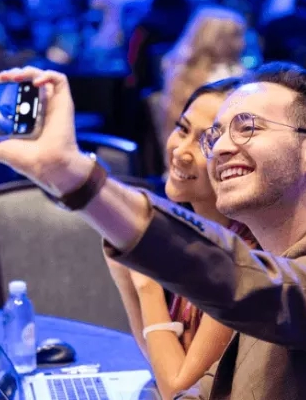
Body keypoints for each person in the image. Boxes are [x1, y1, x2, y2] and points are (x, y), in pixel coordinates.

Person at [0, 62, 306, 399]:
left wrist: (72, 173)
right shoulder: (272, 269)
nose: (221, 148)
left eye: (246, 128)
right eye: (217, 135)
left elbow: (247, 285)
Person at [106, 77, 258, 399]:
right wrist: (122, 267)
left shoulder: (245, 255)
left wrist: (145, 282)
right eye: (183, 129)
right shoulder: (192, 232)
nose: (181, 151)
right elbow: (162, 364)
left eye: (205, 141)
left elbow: (177, 388)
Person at [158, 7, 246, 148]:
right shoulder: (214, 79)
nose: (242, 44)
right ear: (215, 39)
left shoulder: (238, 72)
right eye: (236, 36)